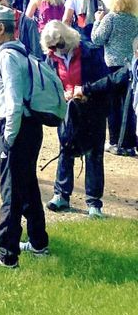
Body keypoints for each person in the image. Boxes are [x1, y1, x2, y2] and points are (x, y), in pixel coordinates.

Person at [0, 5, 50, 268]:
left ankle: (7, 256)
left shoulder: (6, 56)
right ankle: (39, 243)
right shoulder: (21, 50)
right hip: (30, 129)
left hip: (17, 128)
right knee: (28, 185)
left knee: (10, 194)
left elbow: (14, 103)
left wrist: (7, 139)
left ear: (1, 28)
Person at [41, 21, 109, 219]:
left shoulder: (89, 51)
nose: (56, 50)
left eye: (59, 45)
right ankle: (61, 195)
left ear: (67, 39)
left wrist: (86, 90)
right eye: (51, 47)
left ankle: (94, 203)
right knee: (66, 148)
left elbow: (105, 80)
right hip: (68, 110)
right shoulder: (51, 58)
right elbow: (48, 82)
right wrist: (61, 94)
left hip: (92, 109)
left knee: (94, 153)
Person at [0, 0, 42, 175]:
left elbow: (37, 54)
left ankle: (11, 156)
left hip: (20, 78)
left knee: (14, 114)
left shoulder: (25, 23)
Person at [91, 0, 138, 156]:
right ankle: (129, 142)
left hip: (112, 65)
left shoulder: (111, 18)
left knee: (113, 105)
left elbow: (97, 39)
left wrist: (97, 21)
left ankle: (114, 141)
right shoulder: (134, 20)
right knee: (127, 105)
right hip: (129, 65)